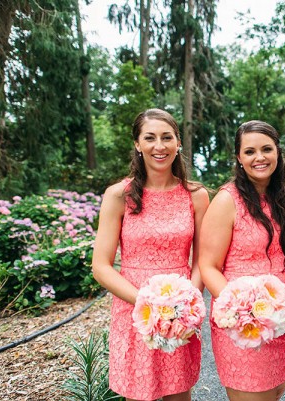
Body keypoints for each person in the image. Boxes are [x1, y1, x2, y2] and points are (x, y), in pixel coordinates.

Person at [92, 109, 209, 401]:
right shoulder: (119, 195)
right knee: (139, 394)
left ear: (178, 142)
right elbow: (101, 266)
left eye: (167, 137)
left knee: (178, 393)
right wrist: (149, 302)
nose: (160, 146)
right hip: (135, 309)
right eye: (150, 138)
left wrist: (186, 304)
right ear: (137, 144)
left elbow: (202, 260)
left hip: (180, 311)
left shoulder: (196, 195)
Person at [199, 120, 285, 401]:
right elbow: (209, 265)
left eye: (267, 149)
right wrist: (241, 307)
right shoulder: (227, 201)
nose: (260, 157)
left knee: (274, 393)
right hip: (243, 323)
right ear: (239, 158)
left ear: (278, 152)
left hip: (283, 323)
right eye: (250, 151)